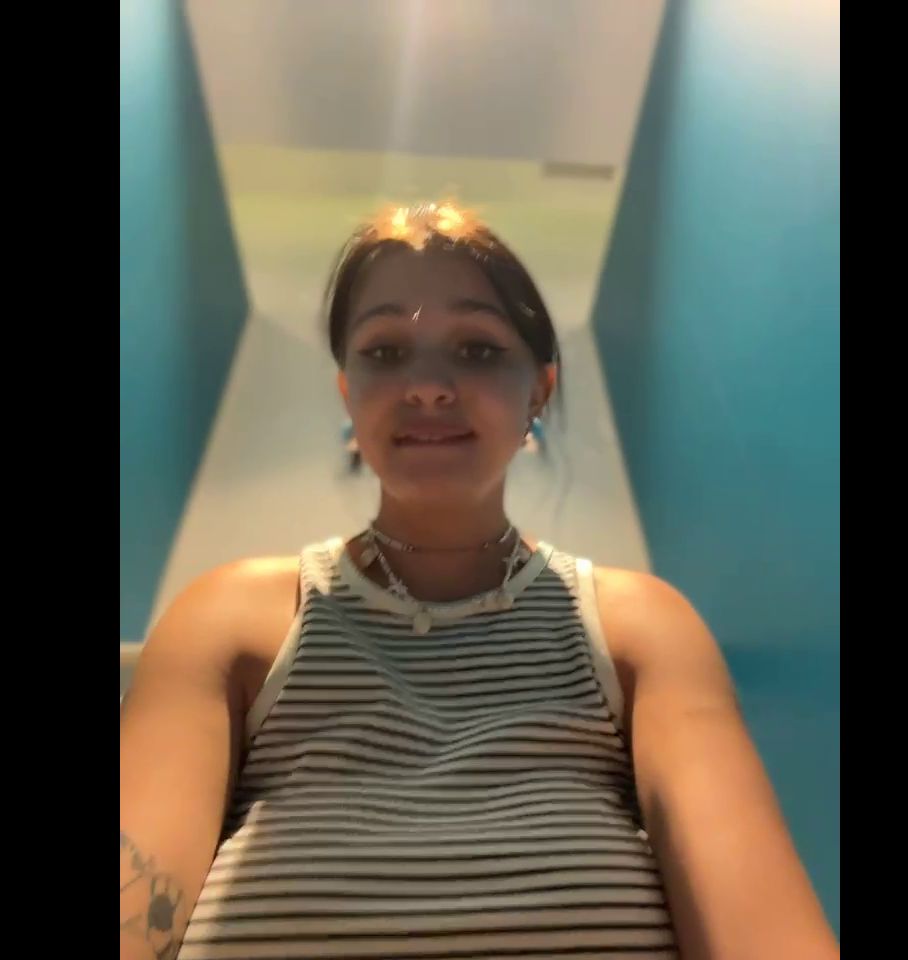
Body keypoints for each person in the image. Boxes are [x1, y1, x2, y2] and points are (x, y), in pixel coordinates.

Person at [120, 202, 839, 960]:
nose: (429, 387)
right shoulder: (228, 620)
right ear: (347, 392)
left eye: (477, 349)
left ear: (539, 391)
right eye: (386, 351)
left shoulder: (640, 629)